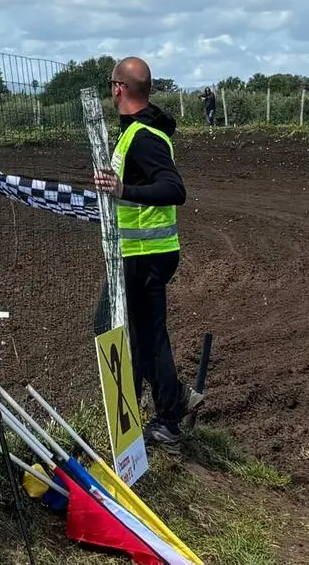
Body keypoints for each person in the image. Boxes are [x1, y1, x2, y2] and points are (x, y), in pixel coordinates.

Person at [93, 57, 203, 446]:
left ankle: (162, 415)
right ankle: (164, 407)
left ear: (118, 88)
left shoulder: (142, 136)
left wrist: (124, 191)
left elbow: (175, 189)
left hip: (146, 254)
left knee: (124, 328)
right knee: (139, 333)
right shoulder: (136, 132)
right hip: (142, 251)